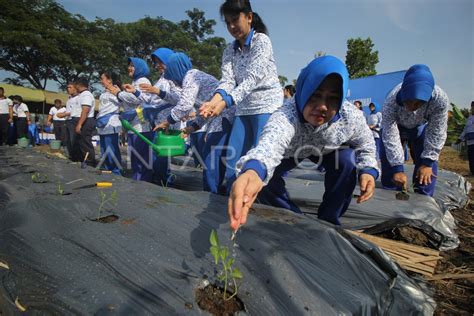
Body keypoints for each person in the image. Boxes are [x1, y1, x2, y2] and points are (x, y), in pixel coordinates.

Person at [228, 56, 378, 231]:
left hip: (329, 150)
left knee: (346, 161)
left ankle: (329, 222)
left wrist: (368, 170)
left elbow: (366, 144)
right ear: (304, 91)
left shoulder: (350, 117)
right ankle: (293, 217)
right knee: (263, 180)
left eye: (332, 99)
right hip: (293, 151)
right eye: (315, 95)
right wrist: (254, 170)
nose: (322, 106)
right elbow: (270, 144)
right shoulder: (286, 116)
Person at [199, 0, 283, 193]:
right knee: (233, 162)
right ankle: (231, 203)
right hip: (243, 108)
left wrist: (225, 102)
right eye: (227, 22)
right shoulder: (229, 50)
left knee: (260, 161)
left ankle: (270, 206)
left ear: (249, 17)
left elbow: (252, 78)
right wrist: (214, 101)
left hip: (267, 106)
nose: (232, 26)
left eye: (235, 19)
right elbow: (227, 80)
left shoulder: (261, 41)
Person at [154, 52, 235, 193]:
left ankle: (213, 195)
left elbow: (185, 104)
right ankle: (217, 193)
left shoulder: (190, 76)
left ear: (175, 69)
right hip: (219, 118)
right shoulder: (192, 77)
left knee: (211, 159)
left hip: (223, 117)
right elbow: (202, 112)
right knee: (215, 159)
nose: (173, 81)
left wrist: (167, 122)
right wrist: (190, 129)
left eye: (172, 77)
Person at [380, 64, 449, 197]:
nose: (412, 107)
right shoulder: (392, 100)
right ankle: (389, 195)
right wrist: (397, 168)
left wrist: (427, 162)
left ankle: (423, 198)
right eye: (408, 102)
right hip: (397, 128)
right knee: (388, 159)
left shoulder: (440, 100)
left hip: (420, 128)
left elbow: (437, 130)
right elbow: (390, 132)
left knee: (427, 168)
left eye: (418, 103)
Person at [122, 47, 181, 186]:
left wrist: (158, 96)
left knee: (160, 158)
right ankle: (159, 184)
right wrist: (136, 92)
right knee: (156, 157)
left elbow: (178, 98)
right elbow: (150, 99)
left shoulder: (174, 78)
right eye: (156, 62)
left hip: (167, 122)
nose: (157, 65)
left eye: (160, 61)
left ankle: (166, 184)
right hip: (157, 123)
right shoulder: (162, 79)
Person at [109, 57, 154, 181]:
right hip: (134, 126)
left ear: (140, 67)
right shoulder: (135, 82)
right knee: (136, 158)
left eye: (132, 65)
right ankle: (138, 180)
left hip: (142, 127)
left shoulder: (143, 80)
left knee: (141, 159)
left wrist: (119, 94)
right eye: (128, 65)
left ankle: (143, 182)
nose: (129, 68)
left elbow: (138, 99)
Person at [96, 71, 123, 175]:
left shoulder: (115, 90)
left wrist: (117, 91)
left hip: (111, 124)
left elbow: (122, 101)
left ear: (109, 80)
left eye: (102, 78)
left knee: (111, 149)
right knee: (104, 149)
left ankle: (116, 171)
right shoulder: (104, 92)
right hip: (102, 123)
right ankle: (108, 169)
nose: (100, 81)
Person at [74, 77, 96, 166]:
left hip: (87, 121)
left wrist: (79, 124)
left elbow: (85, 110)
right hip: (85, 120)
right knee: (81, 142)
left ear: (79, 85)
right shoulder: (82, 95)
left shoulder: (86, 95)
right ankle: (84, 160)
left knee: (86, 142)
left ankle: (90, 162)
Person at [457, 101, 474, 175]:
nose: (472, 108)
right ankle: (472, 172)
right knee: (471, 157)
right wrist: (460, 138)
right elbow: (465, 129)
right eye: (472, 107)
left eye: (473, 107)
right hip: (470, 141)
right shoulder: (470, 117)